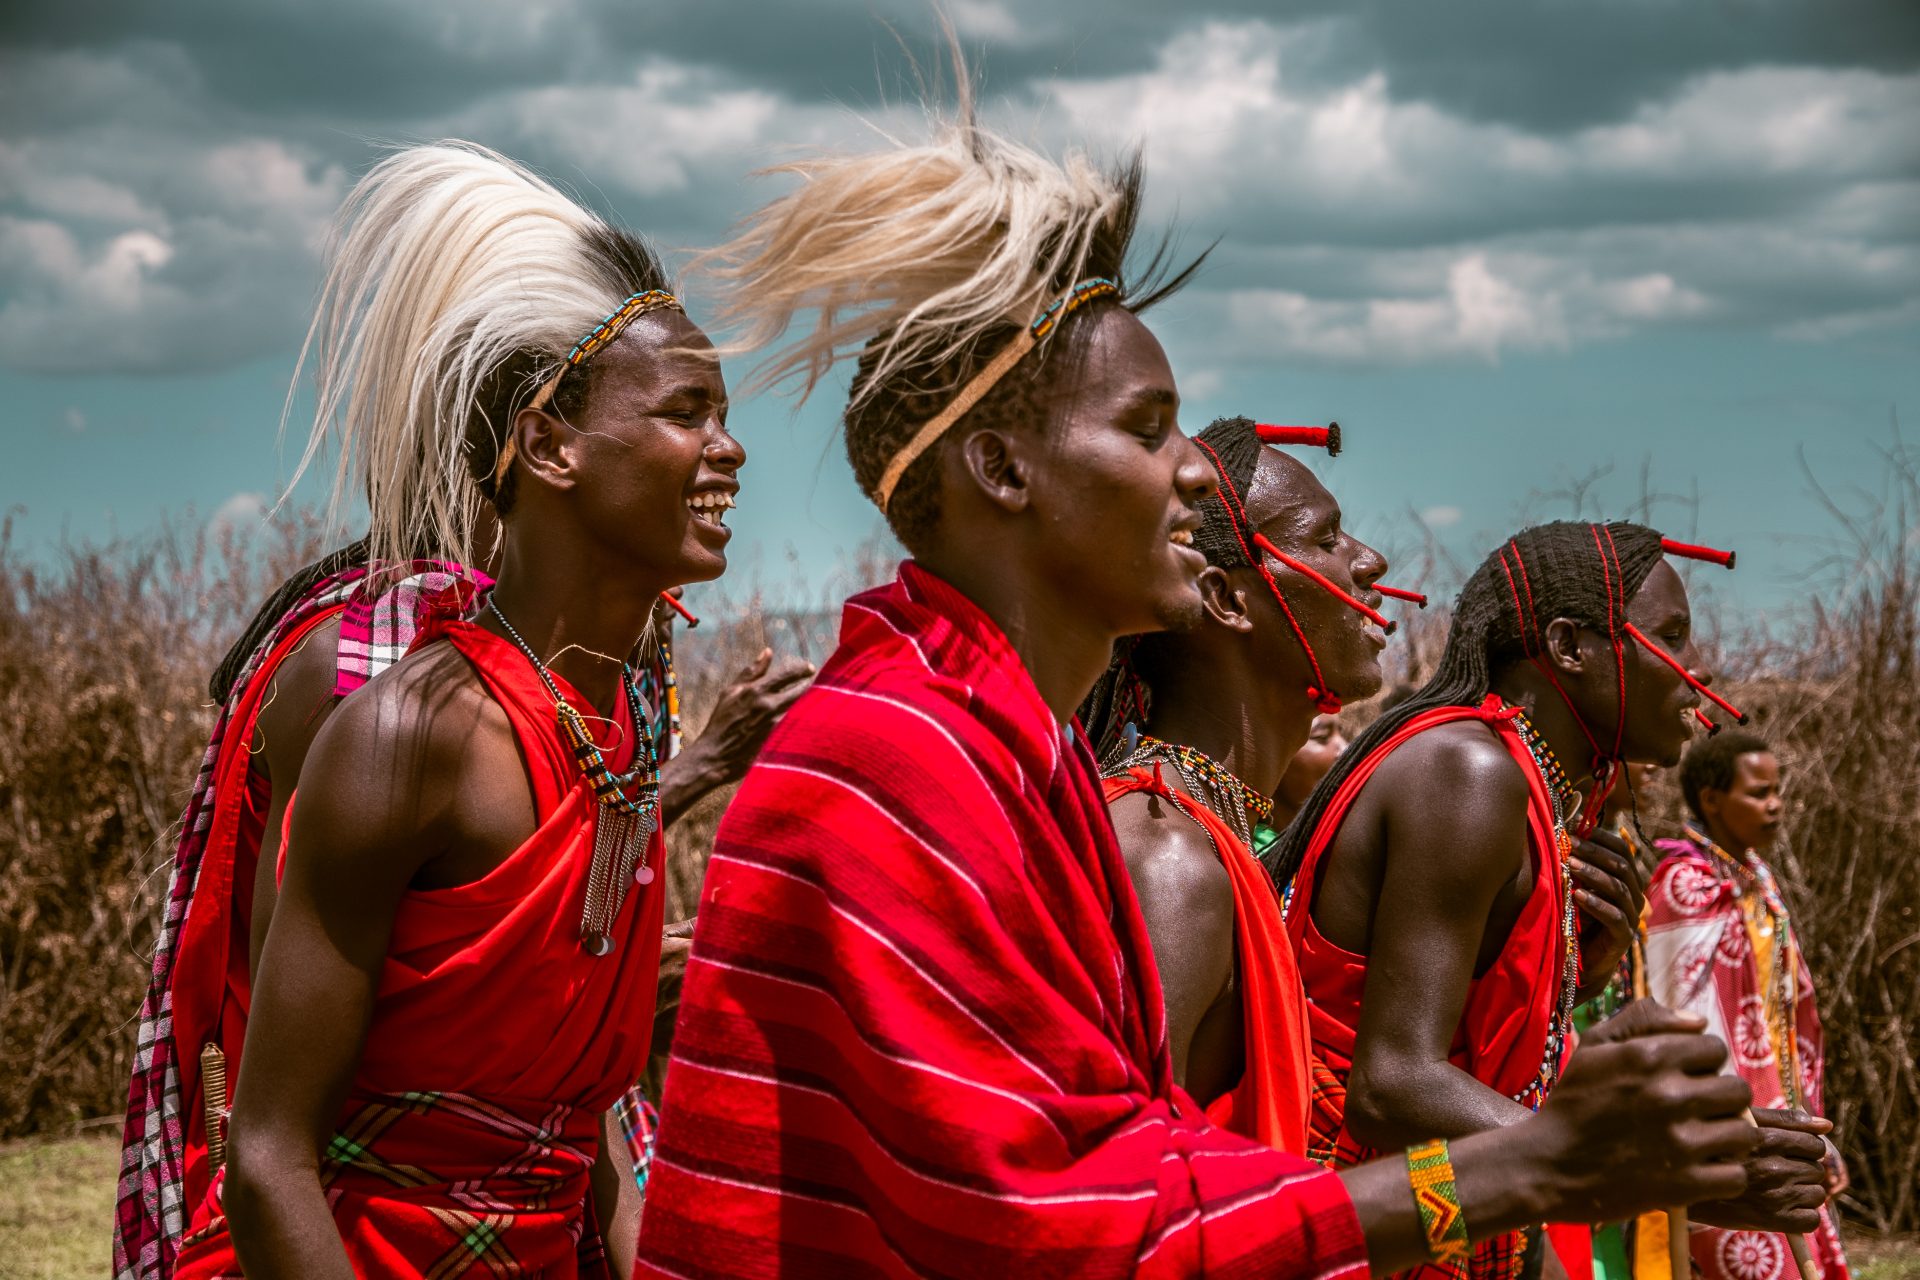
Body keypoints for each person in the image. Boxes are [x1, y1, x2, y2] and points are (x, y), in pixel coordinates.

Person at [634, 96, 1764, 1280]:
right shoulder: (888, 760)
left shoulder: (1012, 758)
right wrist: (1526, 1167)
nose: (1190, 472)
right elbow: (1047, 1221)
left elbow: (1143, 1153)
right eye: (1149, 426)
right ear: (1002, 468)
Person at [166, 140, 752, 1278]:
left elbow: (592, 1132)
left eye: (723, 412)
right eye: (688, 410)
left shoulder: (621, 729)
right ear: (547, 444)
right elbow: (270, 1152)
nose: (728, 448)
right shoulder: (410, 735)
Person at [1273, 523, 1832, 1279]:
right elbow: (1393, 1086)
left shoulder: (1541, 801)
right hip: (1352, 1227)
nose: (1698, 670)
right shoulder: (1470, 773)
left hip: (1442, 1222)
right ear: (1570, 647)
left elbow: (1487, 1078)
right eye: (1670, 635)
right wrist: (1669, 1171)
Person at [1080, 414, 1391, 1153]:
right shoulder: (1166, 856)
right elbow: (1126, 1187)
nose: (1370, 561)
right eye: (1324, 541)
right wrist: (1501, 1178)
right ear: (1226, 599)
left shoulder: (1209, 831)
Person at [1648, 730, 1853, 1280]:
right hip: (1724, 1135)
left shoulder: (1756, 879)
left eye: (1778, 790)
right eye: (1759, 792)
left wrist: (1811, 1132)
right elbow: (1680, 1025)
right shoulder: (1684, 885)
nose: (1775, 804)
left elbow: (1783, 1017)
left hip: (1779, 1119)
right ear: (1712, 799)